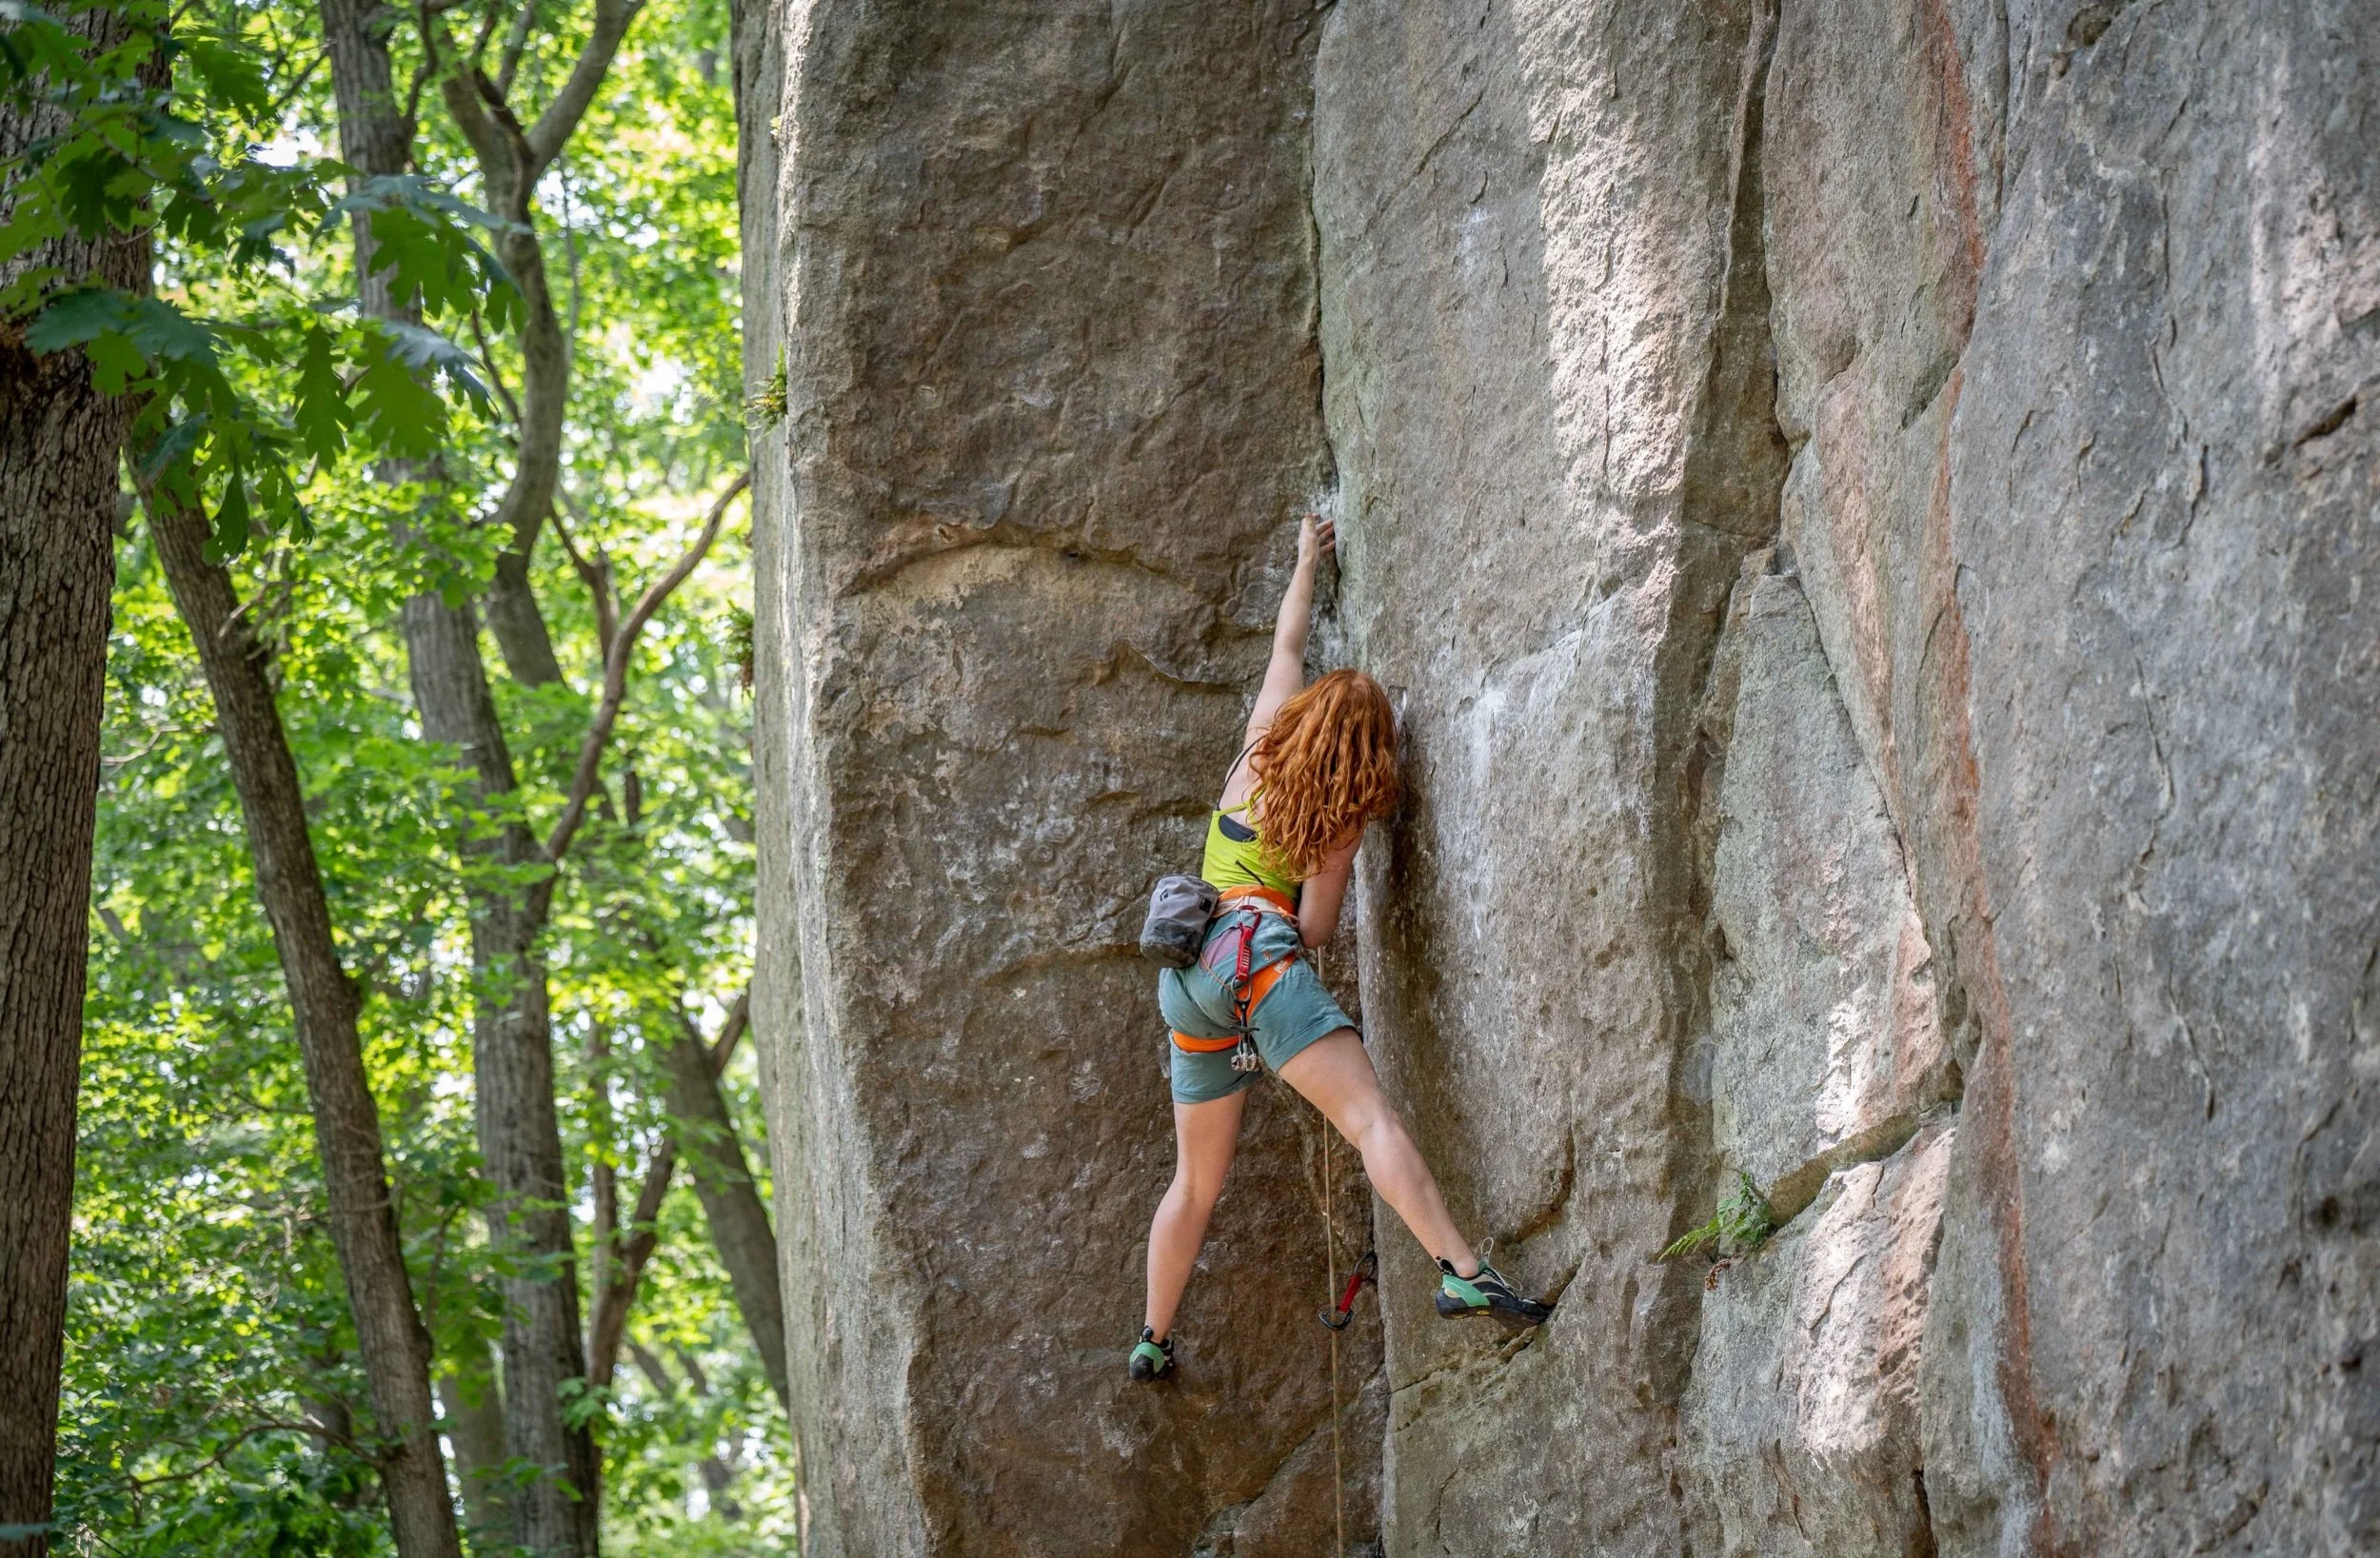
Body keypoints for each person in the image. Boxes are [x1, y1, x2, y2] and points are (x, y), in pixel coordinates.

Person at [1129, 513, 1552, 1384]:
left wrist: (1303, 562)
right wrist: (1329, 858)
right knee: (1369, 1121)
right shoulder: (1337, 824)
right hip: (1259, 962)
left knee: (1193, 1185)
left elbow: (1289, 641)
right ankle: (1464, 1275)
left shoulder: (1255, 745)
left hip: (1189, 980)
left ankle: (1153, 1336)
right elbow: (1314, 933)